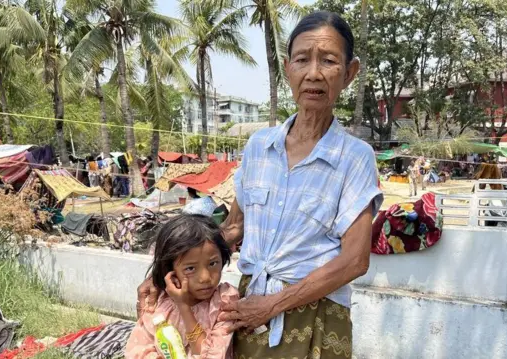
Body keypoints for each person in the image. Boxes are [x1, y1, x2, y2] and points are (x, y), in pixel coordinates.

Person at [137, 10, 383, 359]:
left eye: (328, 60)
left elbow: (355, 260)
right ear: (288, 69)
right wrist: (164, 270)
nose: (313, 73)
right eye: (302, 60)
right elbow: (234, 227)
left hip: (316, 315)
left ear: (349, 72)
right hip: (250, 306)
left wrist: (272, 305)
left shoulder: (354, 157)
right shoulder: (259, 146)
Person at [125, 215, 239, 359]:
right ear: (169, 271)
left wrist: (183, 306)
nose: (205, 278)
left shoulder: (224, 301)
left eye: (213, 263)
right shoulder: (159, 302)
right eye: (190, 268)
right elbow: (139, 349)